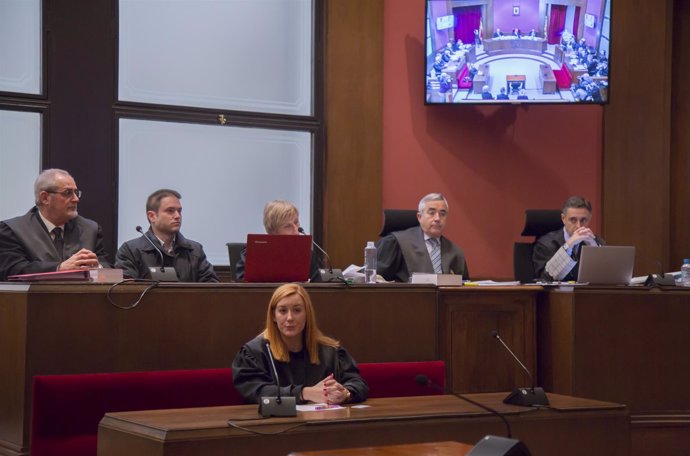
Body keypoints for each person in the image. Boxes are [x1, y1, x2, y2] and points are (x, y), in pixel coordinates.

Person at [232, 283, 368, 405]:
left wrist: (345, 393)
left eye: (297, 310)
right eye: (282, 311)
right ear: (273, 316)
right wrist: (305, 393)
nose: (290, 318)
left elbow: (357, 383)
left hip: (324, 426)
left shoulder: (330, 351)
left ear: (307, 314)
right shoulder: (255, 352)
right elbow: (257, 392)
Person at [0, 168, 109, 280]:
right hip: (36, 297)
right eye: (67, 193)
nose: (76, 199)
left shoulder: (90, 230)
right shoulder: (12, 230)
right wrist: (58, 268)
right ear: (45, 198)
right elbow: (13, 270)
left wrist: (97, 267)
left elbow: (107, 268)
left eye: (76, 193)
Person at [115, 189, 218, 282]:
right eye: (170, 211)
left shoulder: (195, 250)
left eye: (179, 211)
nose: (178, 216)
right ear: (152, 216)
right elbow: (126, 291)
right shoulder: (130, 250)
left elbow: (211, 288)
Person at [376, 193, 469, 282]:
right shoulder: (396, 243)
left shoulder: (455, 253)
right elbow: (374, 279)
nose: (437, 218)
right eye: (432, 212)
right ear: (419, 217)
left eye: (442, 214)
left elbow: (464, 289)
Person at [234, 200, 323, 281]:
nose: (296, 230)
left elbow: (321, 284)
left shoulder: (307, 255)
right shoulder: (252, 255)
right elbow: (243, 289)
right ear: (273, 232)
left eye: (296, 222)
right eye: (288, 226)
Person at [532, 196, 605, 281]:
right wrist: (568, 246)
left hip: (586, 293)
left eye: (583, 220)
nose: (579, 226)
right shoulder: (545, 244)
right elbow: (545, 278)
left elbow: (605, 276)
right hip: (556, 293)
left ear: (590, 218)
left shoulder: (598, 242)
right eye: (573, 220)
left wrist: (594, 249)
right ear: (563, 218)